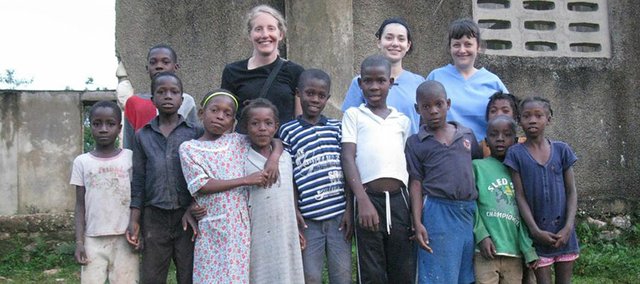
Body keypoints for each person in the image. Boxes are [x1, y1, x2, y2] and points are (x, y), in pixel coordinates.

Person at [178, 91, 283, 283]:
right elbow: (202, 184)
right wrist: (245, 180)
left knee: (237, 276)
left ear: (233, 122)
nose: (220, 116)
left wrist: (274, 158)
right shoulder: (189, 148)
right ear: (202, 113)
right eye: (215, 110)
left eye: (227, 114)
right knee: (210, 276)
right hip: (211, 226)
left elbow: (274, 140)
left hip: (240, 228)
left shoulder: (237, 141)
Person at [341, 55, 415, 283]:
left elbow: (407, 164)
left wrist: (413, 211)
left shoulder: (402, 121)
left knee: (402, 269)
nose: (374, 86)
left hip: (400, 201)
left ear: (390, 83)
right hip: (368, 199)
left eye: (380, 80)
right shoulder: (354, 115)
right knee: (372, 271)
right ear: (360, 83)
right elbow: (347, 157)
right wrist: (361, 200)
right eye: (368, 81)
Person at [278, 69, 352, 284]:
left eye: (321, 95)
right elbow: (289, 177)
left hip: (339, 218)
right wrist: (295, 210)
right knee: (310, 276)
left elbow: (347, 169)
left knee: (343, 275)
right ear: (298, 93)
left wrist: (349, 209)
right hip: (309, 220)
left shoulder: (337, 128)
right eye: (310, 93)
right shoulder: (288, 131)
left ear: (328, 98)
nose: (315, 99)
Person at [126, 72, 200, 284]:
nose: (168, 96)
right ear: (152, 100)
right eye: (161, 92)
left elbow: (205, 175)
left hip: (187, 217)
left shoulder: (195, 132)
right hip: (154, 217)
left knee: (189, 274)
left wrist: (194, 205)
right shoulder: (143, 135)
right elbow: (138, 179)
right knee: (152, 276)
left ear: (182, 98)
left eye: (174, 92)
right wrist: (134, 219)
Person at [406, 80, 482, 283]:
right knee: (438, 273)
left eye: (438, 104)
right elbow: (415, 183)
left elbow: (477, 168)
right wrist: (417, 222)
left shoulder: (466, 135)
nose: (433, 111)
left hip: (467, 212)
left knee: (465, 273)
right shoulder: (416, 143)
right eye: (426, 106)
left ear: (448, 103)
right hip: (437, 211)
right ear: (417, 109)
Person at [504, 97, 579, 284]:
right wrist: (535, 231)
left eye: (539, 115)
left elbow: (571, 192)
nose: (532, 120)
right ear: (518, 120)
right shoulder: (515, 154)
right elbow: (519, 196)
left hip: (565, 235)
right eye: (526, 116)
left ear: (549, 118)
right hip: (537, 236)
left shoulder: (562, 150)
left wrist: (568, 227)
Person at [70, 101, 138, 283]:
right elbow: (80, 205)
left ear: (119, 127)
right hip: (93, 239)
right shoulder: (82, 162)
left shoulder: (129, 157)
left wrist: (140, 230)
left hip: (125, 239)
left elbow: (138, 199)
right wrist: (79, 242)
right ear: (90, 125)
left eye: (110, 123)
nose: (103, 129)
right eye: (97, 123)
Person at [242, 98, 305, 283]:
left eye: (268, 123)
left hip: (285, 228)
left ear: (276, 126)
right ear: (245, 127)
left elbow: (289, 189)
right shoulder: (241, 157)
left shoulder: (285, 158)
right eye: (255, 123)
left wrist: (294, 219)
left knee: (287, 271)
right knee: (260, 273)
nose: (262, 128)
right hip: (256, 231)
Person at [473, 115, 539, 284]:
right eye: (494, 135)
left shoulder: (519, 171)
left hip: (514, 254)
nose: (500, 139)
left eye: (507, 134)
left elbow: (524, 214)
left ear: (516, 140)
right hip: (486, 252)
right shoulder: (477, 167)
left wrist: (528, 250)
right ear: (486, 140)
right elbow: (470, 204)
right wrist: (481, 236)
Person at [221, 4, 304, 128]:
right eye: (258, 29)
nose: (265, 35)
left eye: (271, 28)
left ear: (280, 34)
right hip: (244, 145)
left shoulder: (296, 72)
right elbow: (226, 118)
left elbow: (300, 121)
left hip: (283, 145)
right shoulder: (232, 71)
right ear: (250, 35)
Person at [426, 18, 508, 141]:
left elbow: (508, 118)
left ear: (478, 47)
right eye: (456, 45)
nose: (462, 50)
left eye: (468, 44)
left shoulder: (493, 82)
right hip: (444, 153)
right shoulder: (436, 77)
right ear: (450, 47)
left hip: (484, 154)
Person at [342, 17, 424, 134]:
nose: (395, 43)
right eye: (389, 38)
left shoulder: (419, 83)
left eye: (401, 39)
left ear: (408, 45)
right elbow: (348, 127)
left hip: (410, 151)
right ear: (379, 42)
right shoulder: (360, 82)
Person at [123, 44, 198, 149]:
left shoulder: (187, 101)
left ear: (175, 67)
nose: (159, 66)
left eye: (165, 62)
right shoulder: (134, 102)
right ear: (147, 68)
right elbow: (128, 142)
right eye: (153, 62)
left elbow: (195, 137)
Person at [480, 91, 524, 157]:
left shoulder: (525, 145)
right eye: (493, 111)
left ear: (515, 116)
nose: (499, 114)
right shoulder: (482, 147)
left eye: (505, 111)